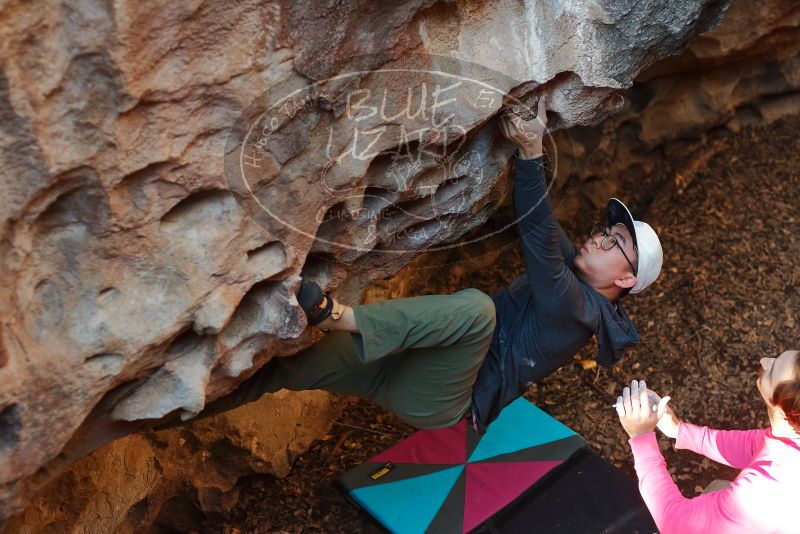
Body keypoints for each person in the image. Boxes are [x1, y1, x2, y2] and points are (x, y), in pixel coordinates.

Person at [162, 98, 663, 432]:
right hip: (407, 365)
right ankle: (155, 416)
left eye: (615, 241)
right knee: (278, 373)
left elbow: (538, 238)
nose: (599, 236)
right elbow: (543, 219)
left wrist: (531, 149)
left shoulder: (575, 312)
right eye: (605, 229)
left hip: (445, 398)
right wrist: (526, 145)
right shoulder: (575, 287)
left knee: (477, 311)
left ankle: (342, 317)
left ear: (624, 279)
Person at [616, 350, 800, 534]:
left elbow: (673, 521)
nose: (764, 361)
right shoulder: (790, 436)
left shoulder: (760, 493)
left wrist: (641, 439)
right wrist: (677, 429)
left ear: (783, 404)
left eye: (773, 368)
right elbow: (752, 446)